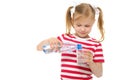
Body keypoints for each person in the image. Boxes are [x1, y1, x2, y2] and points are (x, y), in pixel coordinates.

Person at [37, 3, 105, 80]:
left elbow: (99, 74)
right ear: (72, 21)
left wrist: (91, 62)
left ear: (93, 22)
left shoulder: (95, 45)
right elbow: (39, 48)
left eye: (87, 26)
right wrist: (49, 40)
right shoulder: (64, 38)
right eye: (79, 25)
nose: (82, 29)